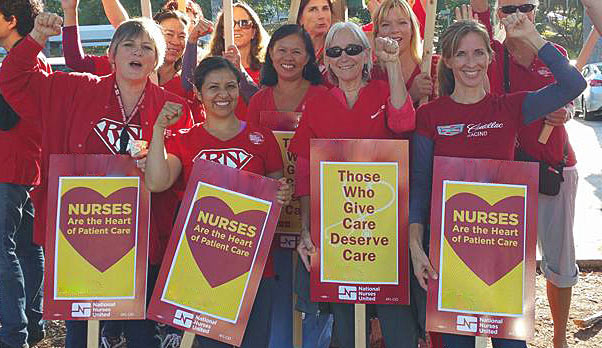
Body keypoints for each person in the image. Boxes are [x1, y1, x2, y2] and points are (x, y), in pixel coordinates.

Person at [0, 14, 194, 348]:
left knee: (141, 333)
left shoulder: (173, 107)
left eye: (147, 47)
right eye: (128, 44)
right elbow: (14, 80)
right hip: (79, 233)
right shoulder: (74, 88)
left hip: (140, 238)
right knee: (81, 333)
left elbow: (180, 173)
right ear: (112, 54)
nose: (137, 52)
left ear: (157, 59)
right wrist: (34, 39)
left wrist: (159, 162)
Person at [408, 16, 585, 348]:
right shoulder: (431, 115)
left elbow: (573, 84)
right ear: (447, 60)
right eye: (461, 54)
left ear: (491, 57)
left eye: (478, 53)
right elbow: (420, 185)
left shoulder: (511, 106)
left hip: (504, 257)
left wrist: (533, 38)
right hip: (449, 256)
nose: (470, 63)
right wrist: (416, 247)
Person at [143, 56, 291, 348]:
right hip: (200, 266)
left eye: (230, 86)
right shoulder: (184, 139)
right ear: (198, 93)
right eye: (213, 87)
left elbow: (278, 191)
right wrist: (159, 130)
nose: (223, 94)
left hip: (254, 266)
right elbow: (157, 182)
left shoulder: (261, 137)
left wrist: (283, 195)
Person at [290, 22, 416, 348]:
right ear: (326, 60)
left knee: (397, 326)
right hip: (340, 234)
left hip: (387, 230)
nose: (344, 57)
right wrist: (306, 229)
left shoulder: (384, 91)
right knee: (347, 331)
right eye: (335, 51)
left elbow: (404, 123)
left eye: (353, 49)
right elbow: (305, 171)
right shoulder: (317, 101)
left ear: (366, 54)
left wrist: (392, 65)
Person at [467, 1, 578, 346]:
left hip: (555, 168)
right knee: (509, 263)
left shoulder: (554, 52)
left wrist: (567, 111)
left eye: (525, 6)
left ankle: (559, 339)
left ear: (537, 9)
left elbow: (572, 90)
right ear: (498, 14)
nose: (517, 14)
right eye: (508, 7)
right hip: (510, 173)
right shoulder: (492, 55)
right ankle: (509, 336)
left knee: (560, 262)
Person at [245, 24, 329, 348]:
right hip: (274, 221)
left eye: (297, 51)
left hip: (317, 216)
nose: (288, 57)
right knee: (278, 300)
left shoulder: (323, 97)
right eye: (281, 50)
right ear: (269, 54)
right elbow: (251, 159)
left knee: (313, 301)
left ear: (309, 56)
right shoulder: (258, 101)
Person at [0, 2, 48, 348]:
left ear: (11, 20)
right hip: (26, 165)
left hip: (10, 165)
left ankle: (14, 333)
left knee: (4, 249)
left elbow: (7, 118)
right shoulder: (32, 57)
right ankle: (33, 324)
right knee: (29, 248)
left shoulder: (23, 59)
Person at [372, 0, 438, 105]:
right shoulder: (372, 75)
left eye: (402, 22)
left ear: (412, 29)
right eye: (385, 24)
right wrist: (412, 95)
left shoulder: (435, 67)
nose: (394, 30)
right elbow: (376, 119)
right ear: (377, 33)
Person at [297, 0, 333, 71]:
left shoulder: (339, 47)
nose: (321, 16)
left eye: (325, 8)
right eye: (313, 9)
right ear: (300, 18)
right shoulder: (290, 50)